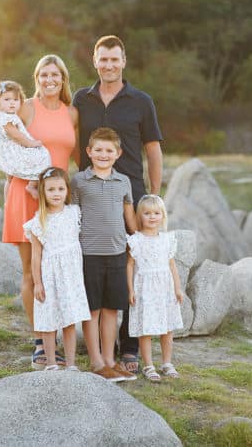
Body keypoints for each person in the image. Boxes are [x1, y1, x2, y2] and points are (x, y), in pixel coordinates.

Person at [73, 34, 163, 376]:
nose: (109, 65)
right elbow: (72, 141)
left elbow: (153, 150)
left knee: (133, 270)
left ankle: (129, 348)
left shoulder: (141, 101)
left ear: (123, 61)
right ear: (95, 61)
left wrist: (153, 194)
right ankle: (99, 350)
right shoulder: (83, 99)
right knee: (96, 267)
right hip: (93, 194)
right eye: (103, 59)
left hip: (132, 193)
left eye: (115, 59)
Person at [0, 55, 79, 369]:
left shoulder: (72, 113)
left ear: (63, 79)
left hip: (58, 198)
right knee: (32, 271)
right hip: (26, 193)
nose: (49, 80)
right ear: (36, 78)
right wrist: (13, 181)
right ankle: (40, 342)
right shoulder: (24, 108)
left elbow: (76, 156)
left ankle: (60, 335)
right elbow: (3, 145)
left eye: (55, 75)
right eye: (44, 74)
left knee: (59, 269)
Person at [71, 127, 137, 382]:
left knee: (112, 309)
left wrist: (141, 238)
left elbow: (129, 216)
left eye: (109, 150)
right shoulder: (79, 181)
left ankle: (110, 360)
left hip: (118, 253)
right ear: (89, 152)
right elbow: (73, 217)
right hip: (89, 254)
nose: (103, 154)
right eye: (98, 150)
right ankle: (96, 361)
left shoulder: (123, 182)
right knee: (93, 309)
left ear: (118, 154)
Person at [24, 167, 90, 371]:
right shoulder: (38, 222)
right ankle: (51, 363)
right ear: (43, 192)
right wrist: (37, 283)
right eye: (51, 190)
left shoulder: (74, 213)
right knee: (48, 320)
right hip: (49, 276)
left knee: (69, 320)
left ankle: (71, 364)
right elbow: (36, 257)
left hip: (70, 276)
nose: (56, 194)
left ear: (67, 191)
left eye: (61, 189)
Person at [127, 194, 184, 382]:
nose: (152, 217)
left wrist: (177, 288)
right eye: (147, 213)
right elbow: (130, 265)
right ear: (139, 216)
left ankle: (167, 363)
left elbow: (172, 265)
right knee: (146, 327)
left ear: (163, 216)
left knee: (167, 327)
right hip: (145, 289)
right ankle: (149, 365)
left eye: (156, 213)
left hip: (165, 288)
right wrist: (130, 289)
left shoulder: (167, 239)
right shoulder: (136, 240)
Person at [0, 80, 51, 198]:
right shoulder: (6, 118)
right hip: (13, 148)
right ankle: (32, 185)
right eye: (7, 100)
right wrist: (31, 143)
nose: (12, 103)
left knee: (12, 171)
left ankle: (11, 182)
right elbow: (16, 135)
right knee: (42, 156)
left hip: (5, 149)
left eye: (16, 100)